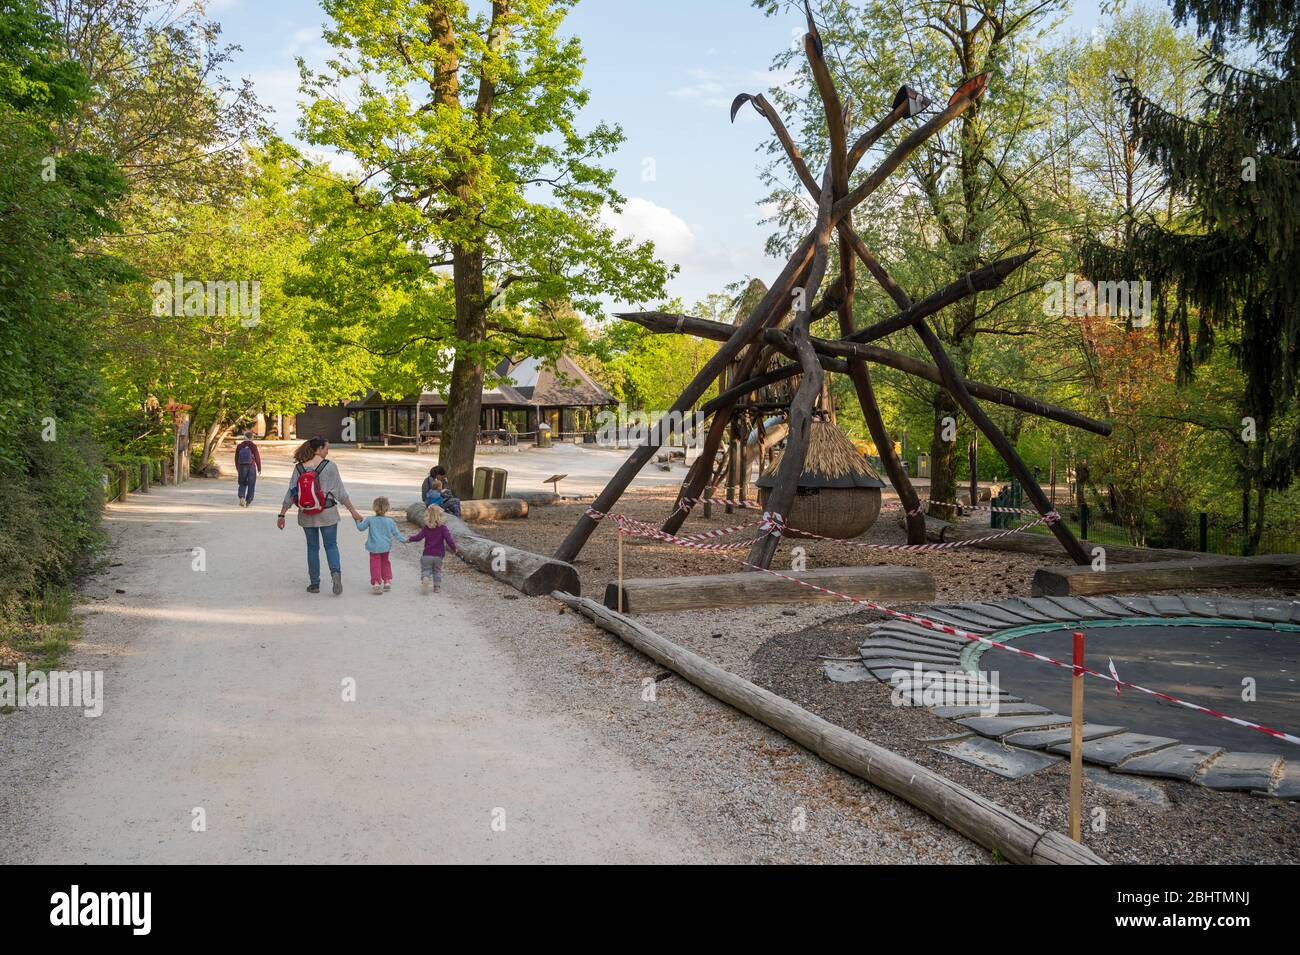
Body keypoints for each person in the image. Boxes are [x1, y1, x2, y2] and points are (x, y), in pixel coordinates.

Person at [277, 437, 364, 594]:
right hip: (328, 512)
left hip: (306, 514)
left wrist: (282, 515)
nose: (328, 451)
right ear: (318, 449)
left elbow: (291, 492)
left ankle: (314, 584)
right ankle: (336, 574)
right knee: (331, 545)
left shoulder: (299, 469)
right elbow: (341, 493)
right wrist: (353, 512)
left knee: (312, 548)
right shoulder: (330, 466)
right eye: (326, 448)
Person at [355, 497, 405, 595]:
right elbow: (396, 534)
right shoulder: (390, 521)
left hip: (374, 547)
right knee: (385, 562)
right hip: (385, 546)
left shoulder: (370, 519)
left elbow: (360, 528)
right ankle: (387, 581)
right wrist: (405, 540)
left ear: (374, 508)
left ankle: (376, 583)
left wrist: (357, 520)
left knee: (375, 564)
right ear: (387, 508)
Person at [407, 504, 457, 594]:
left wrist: (410, 539)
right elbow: (449, 539)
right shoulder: (443, 528)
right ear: (441, 517)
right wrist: (454, 548)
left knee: (426, 569)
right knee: (437, 570)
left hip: (427, 555)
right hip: (439, 555)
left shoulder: (426, 528)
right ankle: (437, 587)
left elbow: (418, 537)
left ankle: (425, 578)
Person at [234, 430, 261, 506]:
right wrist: (259, 468)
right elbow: (257, 457)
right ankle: (248, 501)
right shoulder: (253, 446)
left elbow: (236, 458)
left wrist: (237, 467)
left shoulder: (240, 446)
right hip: (251, 466)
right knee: (251, 484)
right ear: (251, 437)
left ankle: (241, 497)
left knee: (242, 482)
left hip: (242, 466)